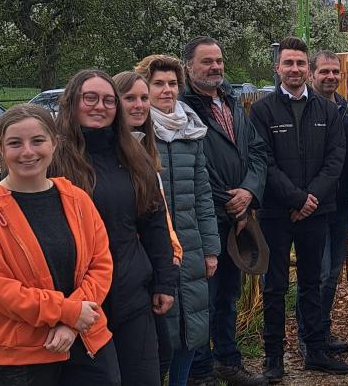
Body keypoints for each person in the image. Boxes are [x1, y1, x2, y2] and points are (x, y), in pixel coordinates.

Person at [0, 104, 120, 385]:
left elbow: (101, 264)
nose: (27, 152)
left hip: (86, 343)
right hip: (22, 358)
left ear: (54, 144)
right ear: (1, 148)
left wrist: (73, 324)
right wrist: (69, 312)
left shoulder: (77, 199)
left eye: (37, 141)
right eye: (15, 143)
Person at [49, 69, 180, 386]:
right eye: (89, 98)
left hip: (130, 290)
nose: (100, 106)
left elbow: (154, 223)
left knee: (145, 375)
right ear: (72, 104)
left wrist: (164, 282)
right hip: (79, 298)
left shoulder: (134, 156)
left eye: (108, 100)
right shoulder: (55, 159)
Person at [250, 36, 348, 380]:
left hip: (316, 213)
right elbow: (263, 159)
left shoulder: (326, 110)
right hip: (276, 215)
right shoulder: (262, 111)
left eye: (300, 63)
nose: (295, 69)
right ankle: (273, 358)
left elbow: (336, 158)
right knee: (275, 286)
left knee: (311, 283)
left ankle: (316, 350)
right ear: (277, 67)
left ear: (308, 69)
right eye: (288, 63)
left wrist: (311, 200)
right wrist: (296, 199)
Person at [181, 37, 269, 386]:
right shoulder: (183, 108)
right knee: (204, 298)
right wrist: (227, 200)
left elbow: (259, 153)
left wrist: (249, 192)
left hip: (238, 217)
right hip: (205, 219)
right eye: (207, 62)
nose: (215, 67)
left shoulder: (231, 102)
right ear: (188, 65)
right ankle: (199, 372)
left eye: (218, 60)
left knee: (228, 297)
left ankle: (227, 363)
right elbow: (192, 167)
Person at [133, 56, 221, 385]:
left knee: (191, 329)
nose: (167, 90)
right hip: (154, 247)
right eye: (158, 84)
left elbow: (202, 194)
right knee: (161, 329)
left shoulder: (191, 130)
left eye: (172, 83)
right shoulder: (136, 135)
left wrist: (211, 248)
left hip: (191, 244)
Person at [113, 70, 184, 382]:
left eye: (143, 98)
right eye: (130, 98)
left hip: (150, 265)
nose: (139, 105)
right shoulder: (111, 153)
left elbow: (158, 216)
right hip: (122, 272)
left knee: (160, 354)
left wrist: (169, 258)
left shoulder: (143, 147)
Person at [294, 50, 348, 356]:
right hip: (312, 204)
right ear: (312, 74)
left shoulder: (347, 109)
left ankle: (322, 327)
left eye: (335, 71)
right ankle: (307, 335)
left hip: (340, 203)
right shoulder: (304, 109)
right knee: (315, 273)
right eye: (324, 71)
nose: (330, 76)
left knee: (331, 274)